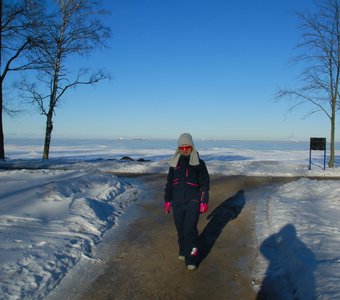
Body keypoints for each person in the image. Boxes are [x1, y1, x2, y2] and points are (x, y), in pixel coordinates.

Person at [164, 133, 210, 271]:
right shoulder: (174, 164)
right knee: (180, 229)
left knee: (189, 229)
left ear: (192, 146)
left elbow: (205, 184)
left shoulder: (199, 164)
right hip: (177, 202)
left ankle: (192, 259)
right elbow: (169, 184)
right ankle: (183, 250)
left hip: (193, 201)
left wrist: (204, 201)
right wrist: (167, 200)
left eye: (187, 146)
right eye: (181, 147)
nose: (184, 149)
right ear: (179, 148)